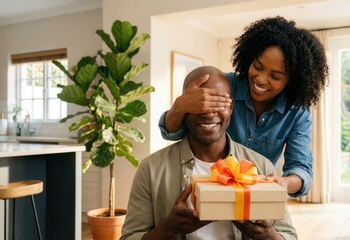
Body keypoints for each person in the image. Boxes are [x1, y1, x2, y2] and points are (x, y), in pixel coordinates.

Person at [158, 16, 329, 197]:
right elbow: (171, 132)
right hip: (209, 186)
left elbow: (301, 170)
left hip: (256, 195)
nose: (261, 79)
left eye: (276, 76)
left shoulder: (296, 112)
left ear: (292, 80)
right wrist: (180, 106)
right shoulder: (225, 85)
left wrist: (283, 183)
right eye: (258, 66)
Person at [121, 66, 297, 240]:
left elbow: (289, 237)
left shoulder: (260, 167)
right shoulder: (151, 169)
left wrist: (266, 235)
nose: (209, 112)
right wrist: (168, 228)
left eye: (220, 103)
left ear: (232, 107)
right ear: (183, 107)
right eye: (200, 103)